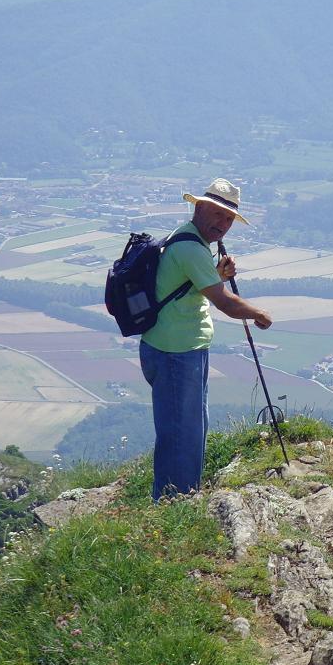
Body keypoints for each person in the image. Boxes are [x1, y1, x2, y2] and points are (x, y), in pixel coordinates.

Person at [140, 177, 273, 500]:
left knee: (188, 429)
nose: (222, 224)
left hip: (174, 348)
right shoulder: (191, 248)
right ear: (199, 207)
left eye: (228, 218)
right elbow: (225, 303)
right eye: (217, 214)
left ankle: (180, 496)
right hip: (176, 352)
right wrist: (259, 314)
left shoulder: (186, 239)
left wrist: (217, 275)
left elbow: (188, 287)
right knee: (182, 433)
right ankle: (174, 503)